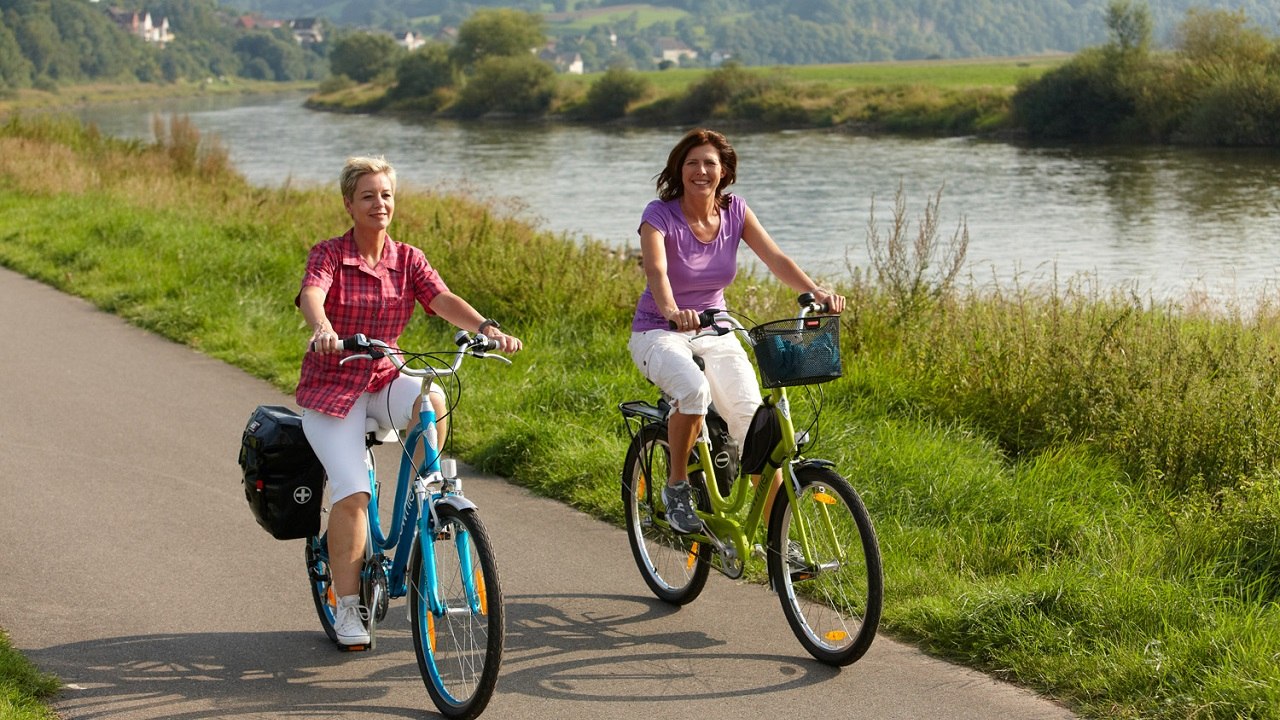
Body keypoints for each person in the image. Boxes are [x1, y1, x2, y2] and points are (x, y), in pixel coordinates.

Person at [296, 155, 521, 647]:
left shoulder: (408, 258)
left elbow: (441, 299)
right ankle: (350, 609)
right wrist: (325, 328)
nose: (381, 204)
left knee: (433, 395)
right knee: (352, 492)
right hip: (333, 387)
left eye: (387, 195)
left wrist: (485, 327)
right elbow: (314, 292)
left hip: (385, 374)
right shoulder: (330, 254)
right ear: (349, 204)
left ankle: (430, 491)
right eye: (369, 196)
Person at [628, 128, 845, 534]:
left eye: (710, 163)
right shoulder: (659, 214)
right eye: (692, 162)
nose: (701, 170)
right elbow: (656, 269)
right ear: (680, 169)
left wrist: (814, 289)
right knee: (694, 390)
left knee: (753, 421)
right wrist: (673, 310)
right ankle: (676, 487)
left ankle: (782, 542)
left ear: (724, 171)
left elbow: (775, 257)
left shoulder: (736, 212)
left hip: (716, 329)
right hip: (660, 330)